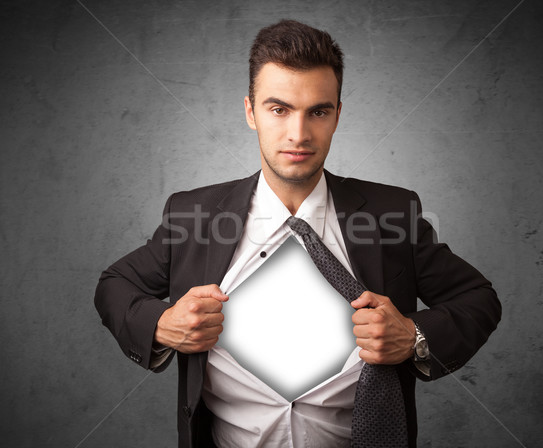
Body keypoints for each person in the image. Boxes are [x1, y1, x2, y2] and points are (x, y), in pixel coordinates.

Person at [95, 19, 501, 448]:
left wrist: (413, 338)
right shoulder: (192, 215)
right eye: (279, 109)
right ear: (251, 112)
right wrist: (161, 323)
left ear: (338, 115)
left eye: (318, 111)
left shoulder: (393, 213)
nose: (299, 134)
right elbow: (114, 285)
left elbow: (479, 300)